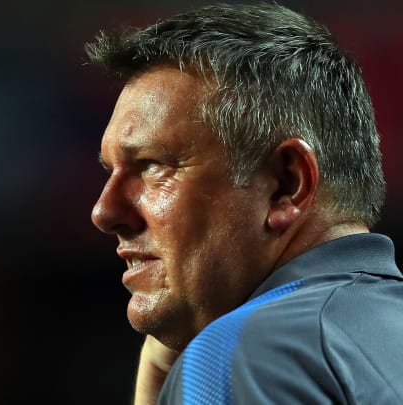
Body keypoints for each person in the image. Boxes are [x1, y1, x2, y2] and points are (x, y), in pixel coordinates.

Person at [86, 3, 403, 404]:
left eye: (151, 166)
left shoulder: (241, 353)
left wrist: (209, 363)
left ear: (286, 185)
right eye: (109, 171)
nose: (104, 212)